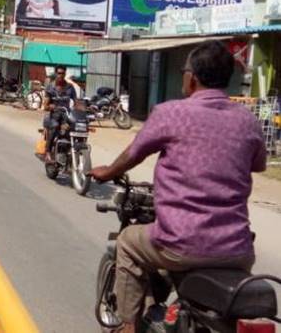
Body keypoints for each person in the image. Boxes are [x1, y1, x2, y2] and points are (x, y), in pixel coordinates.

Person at [90, 41, 266, 332]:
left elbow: (134, 154)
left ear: (192, 78)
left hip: (182, 242)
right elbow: (257, 164)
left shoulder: (171, 113)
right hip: (238, 249)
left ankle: (128, 327)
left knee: (128, 243)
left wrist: (108, 172)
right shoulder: (248, 120)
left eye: (184, 71)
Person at [41, 65, 77, 161]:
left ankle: (71, 151)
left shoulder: (70, 87)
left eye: (63, 73)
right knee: (55, 126)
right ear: (56, 73)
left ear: (65, 74)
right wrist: (50, 106)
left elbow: (76, 102)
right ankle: (48, 152)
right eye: (59, 73)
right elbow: (45, 105)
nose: (61, 75)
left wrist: (84, 109)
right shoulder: (51, 87)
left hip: (66, 115)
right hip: (54, 115)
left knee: (77, 127)